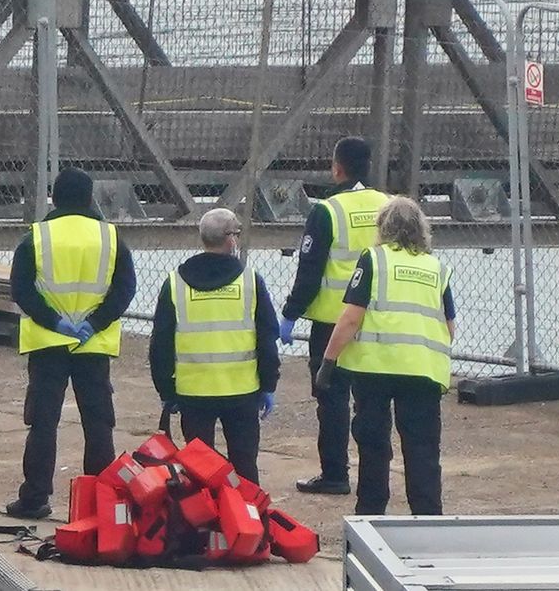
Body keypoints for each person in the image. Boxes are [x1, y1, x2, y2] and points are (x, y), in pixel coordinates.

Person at [5, 168, 137, 519]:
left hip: (48, 343)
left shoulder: (36, 237)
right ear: (90, 197)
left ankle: (35, 497)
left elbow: (21, 289)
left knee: (43, 422)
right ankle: (98, 502)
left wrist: (54, 320)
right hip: (92, 346)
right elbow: (125, 290)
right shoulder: (111, 238)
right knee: (98, 423)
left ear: (54, 197)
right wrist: (94, 323)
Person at [315, 196, 455, 515]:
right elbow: (449, 325)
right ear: (422, 229)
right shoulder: (437, 268)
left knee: (374, 444)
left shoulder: (374, 260)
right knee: (422, 448)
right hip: (422, 371)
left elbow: (351, 317)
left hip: (374, 369)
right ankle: (428, 515)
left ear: (383, 227)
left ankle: (372, 512)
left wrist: (328, 362)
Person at [279, 137, 388, 496]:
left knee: (332, 399)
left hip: (331, 322)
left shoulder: (327, 211)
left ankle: (335, 474)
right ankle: (376, 476)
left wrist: (291, 312)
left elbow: (309, 270)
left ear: (337, 167)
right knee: (371, 399)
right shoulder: (388, 206)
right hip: (375, 319)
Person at [149, 208, 279, 484]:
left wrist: (166, 389)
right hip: (242, 390)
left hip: (193, 392)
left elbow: (160, 343)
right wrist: (269, 384)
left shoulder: (176, 283)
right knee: (244, 466)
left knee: (198, 469)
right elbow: (267, 337)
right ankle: (248, 522)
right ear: (231, 239)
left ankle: (204, 523)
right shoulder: (250, 281)